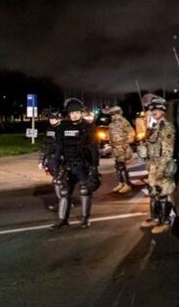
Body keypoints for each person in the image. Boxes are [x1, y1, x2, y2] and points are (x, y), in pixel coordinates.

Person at [50, 98, 99, 230]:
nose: (74, 115)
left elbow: (94, 148)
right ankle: (62, 220)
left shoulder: (88, 127)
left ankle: (85, 219)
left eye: (77, 112)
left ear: (81, 113)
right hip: (67, 165)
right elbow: (59, 146)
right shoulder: (63, 127)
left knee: (85, 191)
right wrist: (55, 163)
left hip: (83, 165)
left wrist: (94, 167)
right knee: (65, 192)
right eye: (72, 113)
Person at [139, 98, 176, 234]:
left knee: (162, 193)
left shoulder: (167, 127)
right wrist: (144, 151)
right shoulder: (154, 127)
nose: (154, 112)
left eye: (157, 109)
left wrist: (162, 169)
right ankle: (155, 218)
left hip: (162, 166)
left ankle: (165, 221)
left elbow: (167, 151)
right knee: (153, 193)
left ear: (163, 111)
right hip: (153, 165)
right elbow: (150, 145)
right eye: (152, 110)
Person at [39, 108, 64, 210]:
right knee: (58, 181)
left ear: (59, 119)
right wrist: (41, 161)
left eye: (54, 118)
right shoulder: (49, 130)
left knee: (58, 181)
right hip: (51, 160)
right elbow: (45, 146)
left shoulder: (64, 130)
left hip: (61, 160)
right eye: (50, 118)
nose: (51, 120)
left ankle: (63, 202)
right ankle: (64, 201)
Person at [108, 106, 136, 194]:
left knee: (122, 166)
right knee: (117, 166)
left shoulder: (124, 122)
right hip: (115, 148)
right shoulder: (112, 124)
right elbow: (110, 135)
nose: (112, 116)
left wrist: (126, 143)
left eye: (114, 114)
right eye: (112, 115)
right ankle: (121, 183)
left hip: (122, 147)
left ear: (119, 114)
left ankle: (127, 184)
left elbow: (131, 133)